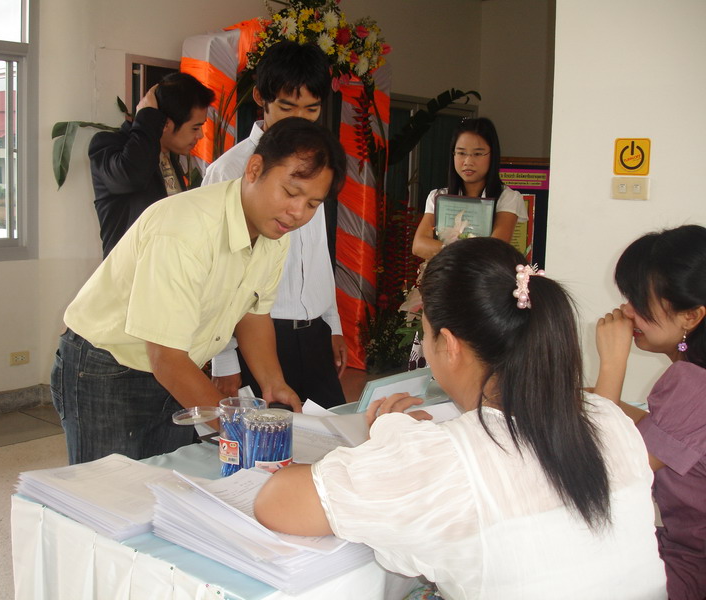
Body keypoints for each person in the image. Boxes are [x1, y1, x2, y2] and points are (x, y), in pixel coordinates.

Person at [255, 237, 667, 599]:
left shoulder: (447, 459)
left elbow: (276, 502)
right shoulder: (608, 418)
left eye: (425, 332)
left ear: (449, 344)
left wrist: (393, 439)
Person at [50, 117, 347, 465]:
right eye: (292, 193)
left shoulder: (274, 232)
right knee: (109, 487)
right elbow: (166, 359)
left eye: (312, 204)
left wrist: (273, 383)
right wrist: (239, 430)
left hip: (176, 363)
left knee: (167, 476)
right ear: (254, 169)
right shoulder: (184, 229)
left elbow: (253, 313)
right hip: (108, 365)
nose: (297, 213)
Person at [202, 40, 348, 409]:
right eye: (286, 106)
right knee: (263, 440)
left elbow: (318, 253)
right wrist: (225, 358)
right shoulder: (230, 169)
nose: (299, 119)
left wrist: (332, 323)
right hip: (257, 336)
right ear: (260, 98)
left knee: (328, 434)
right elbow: (216, 274)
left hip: (314, 334)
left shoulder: (318, 164)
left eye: (311, 109)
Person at [595, 224, 706, 599]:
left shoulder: (692, 384)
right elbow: (663, 434)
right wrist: (592, 396)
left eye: (640, 302)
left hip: (690, 566)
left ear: (691, 316)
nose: (627, 311)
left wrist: (612, 364)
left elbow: (609, 474)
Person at [89, 72, 215, 257]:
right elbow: (131, 177)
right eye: (195, 128)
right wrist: (147, 116)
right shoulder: (107, 145)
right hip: (131, 272)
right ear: (165, 124)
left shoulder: (169, 157)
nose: (200, 135)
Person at [411, 117, 528, 261]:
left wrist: (443, 250)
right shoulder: (438, 196)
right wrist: (465, 253)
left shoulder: (507, 197)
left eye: (477, 154)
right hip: (444, 274)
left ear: (493, 155)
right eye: (461, 153)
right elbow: (419, 245)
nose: (468, 162)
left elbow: (494, 251)